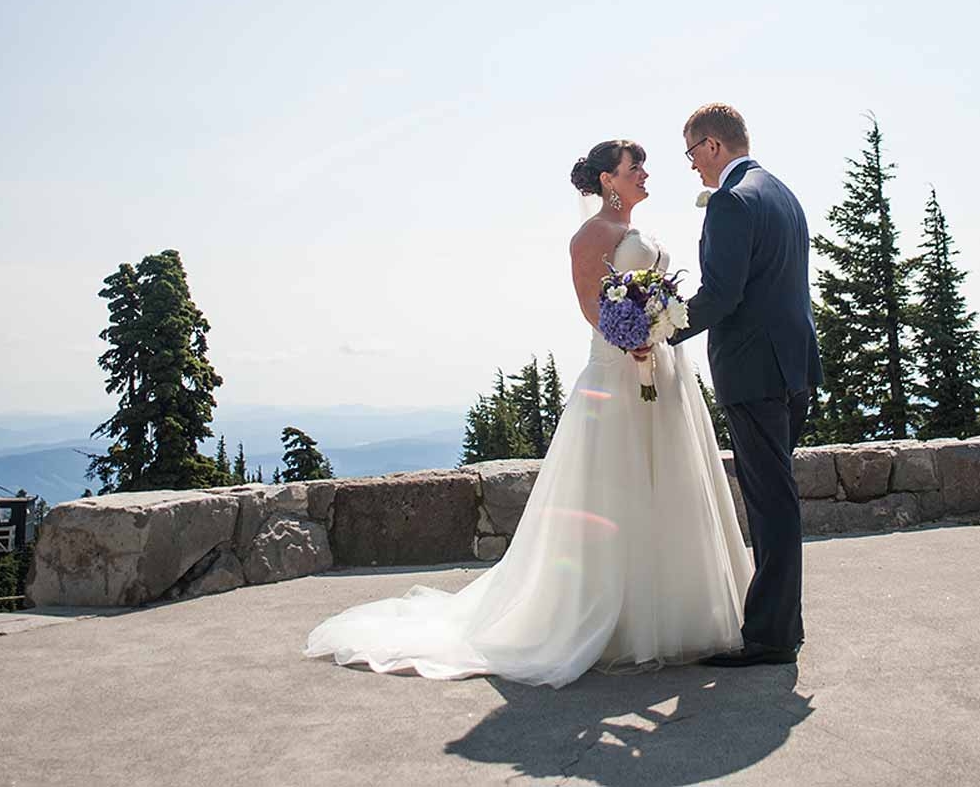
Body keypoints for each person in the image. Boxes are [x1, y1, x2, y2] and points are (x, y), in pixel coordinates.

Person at [304, 138, 751, 688]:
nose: (645, 174)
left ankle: (679, 610)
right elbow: (592, 305)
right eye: (636, 168)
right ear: (608, 180)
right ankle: (614, 620)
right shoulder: (591, 236)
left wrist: (660, 330)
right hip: (618, 370)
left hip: (664, 368)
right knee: (617, 490)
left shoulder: (644, 232)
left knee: (670, 487)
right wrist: (633, 338)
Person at [672, 103, 821, 667]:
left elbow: (722, 293)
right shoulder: (782, 193)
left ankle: (771, 637)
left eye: (691, 154)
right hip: (792, 366)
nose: (692, 167)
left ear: (712, 146)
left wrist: (660, 330)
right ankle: (783, 625)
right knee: (776, 495)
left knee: (770, 499)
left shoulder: (732, 201)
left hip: (753, 369)